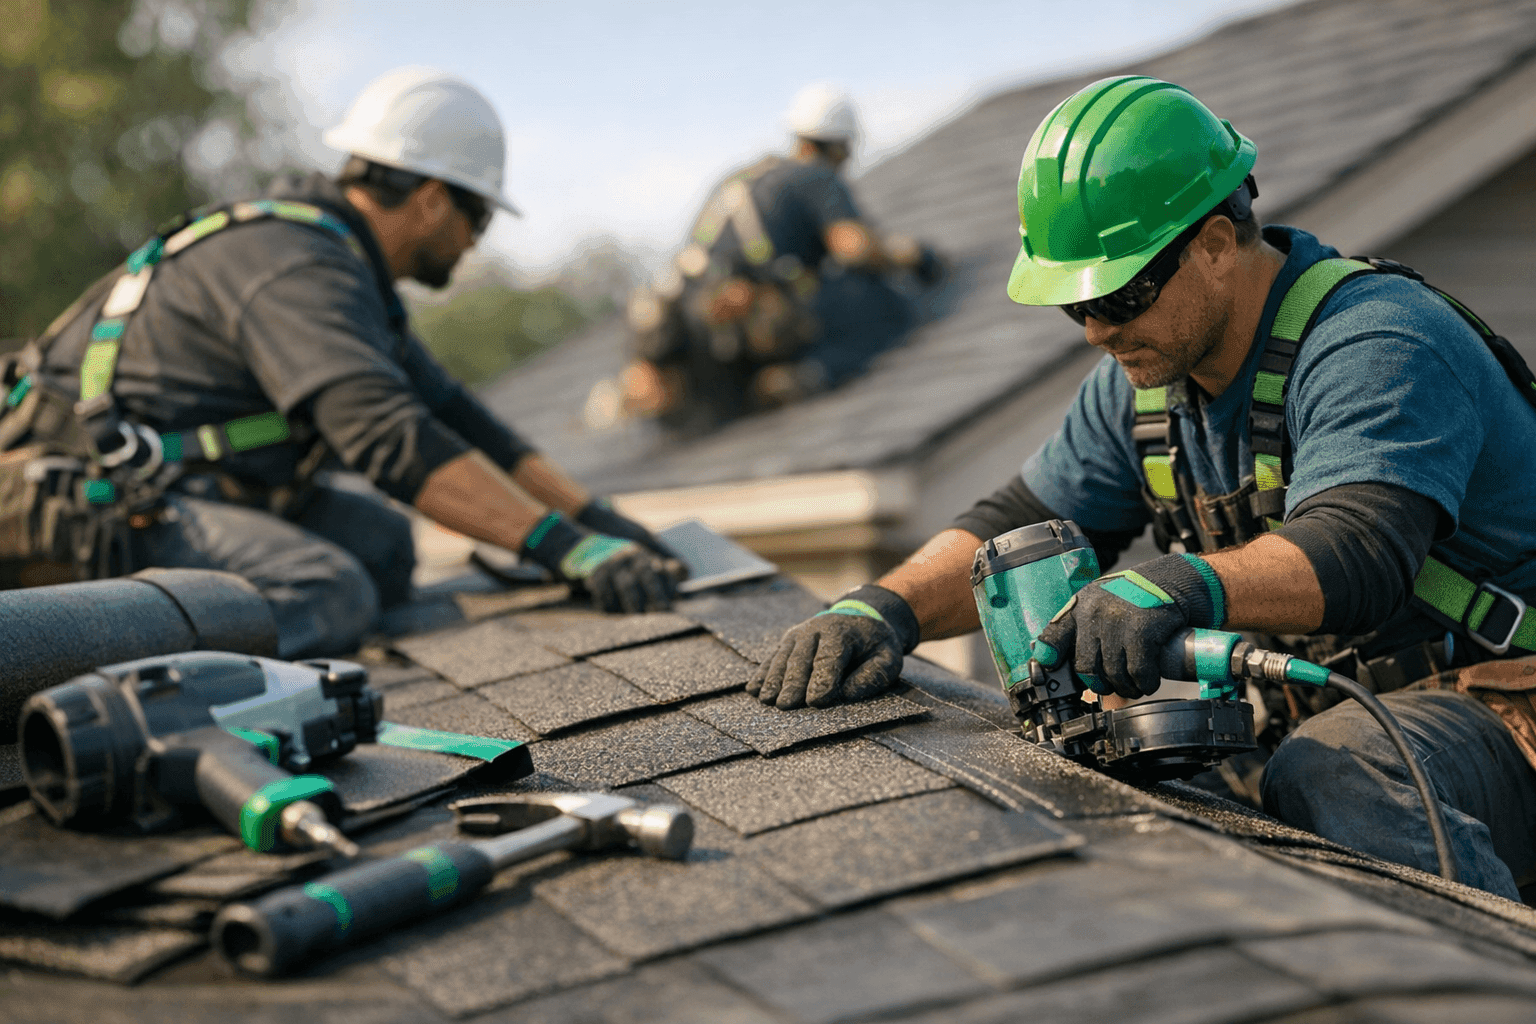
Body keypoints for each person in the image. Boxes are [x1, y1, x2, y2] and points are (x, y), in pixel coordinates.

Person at [747, 75, 1536, 902]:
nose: (1097, 330)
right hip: (1349, 715)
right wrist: (882, 610)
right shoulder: (1146, 383)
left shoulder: (1376, 340)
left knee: (1342, 774)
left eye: (1120, 293)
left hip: (1508, 703)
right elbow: (1014, 524)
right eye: (1075, 305)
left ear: (1216, 245)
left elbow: (1358, 551)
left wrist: (1179, 584)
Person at [0, 67, 681, 658]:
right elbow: (388, 440)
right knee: (327, 590)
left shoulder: (340, 268)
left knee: (382, 545)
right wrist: (565, 550)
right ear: (432, 200)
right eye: (478, 221)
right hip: (85, 502)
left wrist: (594, 518)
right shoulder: (295, 266)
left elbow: (458, 420)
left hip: (177, 491)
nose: (475, 244)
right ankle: (108, 693)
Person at [622, 83, 943, 433]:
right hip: (749, 320)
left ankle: (763, 380)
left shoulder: (739, 180)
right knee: (881, 301)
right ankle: (813, 372)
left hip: (699, 330)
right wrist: (914, 257)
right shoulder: (814, 175)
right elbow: (855, 248)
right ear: (840, 147)